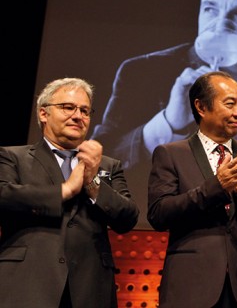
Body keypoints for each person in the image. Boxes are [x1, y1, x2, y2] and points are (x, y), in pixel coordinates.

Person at [90, 0, 237, 218]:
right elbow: (104, 163)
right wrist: (168, 121)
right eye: (210, 9)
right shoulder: (143, 71)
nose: (221, 25)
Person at [147, 71, 237, 308]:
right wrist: (216, 187)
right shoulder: (170, 154)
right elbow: (159, 215)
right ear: (201, 107)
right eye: (230, 104)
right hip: (191, 287)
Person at [0, 78, 139, 308]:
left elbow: (128, 218)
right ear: (44, 114)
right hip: (27, 284)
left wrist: (93, 182)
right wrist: (65, 190)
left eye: (85, 111)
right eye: (68, 107)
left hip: (89, 288)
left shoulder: (107, 165)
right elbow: (4, 196)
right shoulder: (13, 156)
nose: (78, 116)